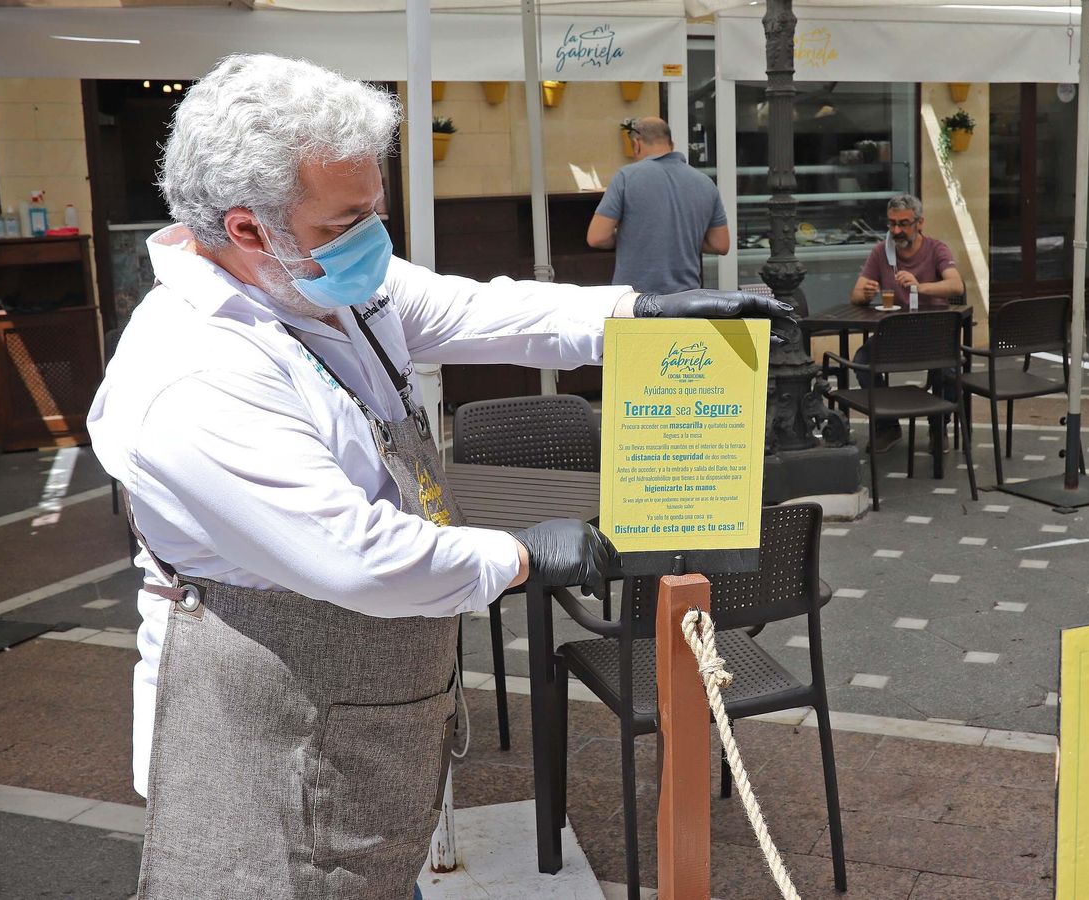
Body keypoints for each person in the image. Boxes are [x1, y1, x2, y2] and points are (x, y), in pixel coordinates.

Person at [87, 54, 790, 899]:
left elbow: (481, 308)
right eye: (350, 219)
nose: (375, 233)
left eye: (375, 205)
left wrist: (636, 312)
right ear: (246, 229)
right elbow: (358, 557)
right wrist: (524, 555)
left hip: (367, 706)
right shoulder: (195, 374)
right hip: (264, 726)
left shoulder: (319, 280)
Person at [847, 194, 966, 448]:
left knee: (951, 370)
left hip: (932, 333)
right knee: (861, 362)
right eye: (891, 224)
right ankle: (887, 426)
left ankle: (938, 425)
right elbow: (855, 295)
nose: (896, 231)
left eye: (903, 224)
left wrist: (920, 287)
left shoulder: (936, 249)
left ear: (919, 222)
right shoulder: (881, 251)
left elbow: (956, 285)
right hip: (893, 336)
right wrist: (865, 293)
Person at [586, 116, 729, 293]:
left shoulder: (626, 177)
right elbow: (720, 244)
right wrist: (680, 237)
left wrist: (632, 236)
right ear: (672, 145)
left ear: (637, 144)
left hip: (635, 300)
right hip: (686, 298)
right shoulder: (705, 182)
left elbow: (597, 237)